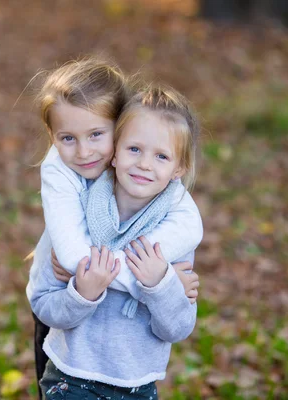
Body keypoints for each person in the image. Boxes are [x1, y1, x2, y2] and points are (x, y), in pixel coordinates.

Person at [25, 57, 202, 398]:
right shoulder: (68, 182)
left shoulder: (172, 221)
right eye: (134, 149)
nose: (85, 151)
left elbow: (178, 323)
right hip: (69, 370)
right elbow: (53, 288)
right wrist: (92, 285)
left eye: (96, 134)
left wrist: (162, 285)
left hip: (135, 381)